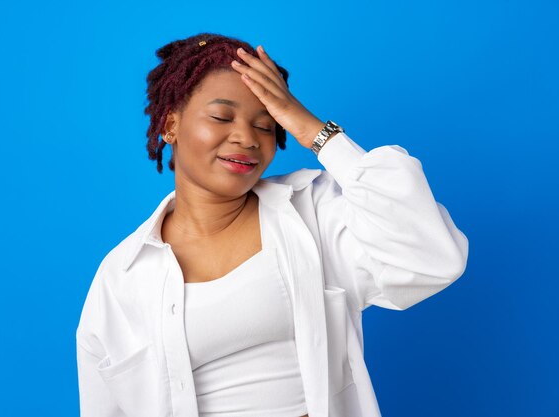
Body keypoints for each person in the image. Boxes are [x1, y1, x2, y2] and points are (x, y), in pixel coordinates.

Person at [76, 32, 469, 417]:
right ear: (170, 125)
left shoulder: (313, 213)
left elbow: (432, 258)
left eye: (266, 125)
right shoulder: (120, 277)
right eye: (221, 116)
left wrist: (314, 131)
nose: (246, 137)